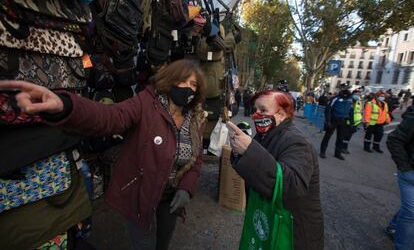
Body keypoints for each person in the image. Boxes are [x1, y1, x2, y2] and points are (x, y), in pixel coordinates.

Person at [0, 59, 207, 250]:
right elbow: (110, 116)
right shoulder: (146, 103)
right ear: (170, 79)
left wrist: (186, 188)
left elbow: (196, 159)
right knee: (144, 243)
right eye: (183, 81)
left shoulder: (196, 119)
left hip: (170, 199)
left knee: (163, 243)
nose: (188, 88)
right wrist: (66, 105)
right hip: (140, 195)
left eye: (193, 85)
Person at [227, 90, 324, 250]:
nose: (256, 114)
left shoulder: (297, 142)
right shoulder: (265, 136)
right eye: (255, 109)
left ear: (281, 114)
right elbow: (258, 174)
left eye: (263, 110)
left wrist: (249, 151)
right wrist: (240, 152)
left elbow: (292, 185)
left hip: (294, 234)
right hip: (270, 222)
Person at [385, 104, 414, 249]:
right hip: (410, 174)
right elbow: (394, 139)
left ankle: (393, 225)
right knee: (411, 213)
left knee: (410, 208)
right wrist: (405, 166)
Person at [319, 83, 353, 160]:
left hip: (343, 121)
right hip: (334, 120)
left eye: (346, 88)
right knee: (327, 136)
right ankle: (322, 152)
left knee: (340, 138)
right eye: (343, 87)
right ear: (340, 88)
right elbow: (328, 109)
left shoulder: (350, 99)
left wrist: (351, 122)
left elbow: (351, 111)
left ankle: (337, 153)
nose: (344, 89)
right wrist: (328, 121)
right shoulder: (335, 98)